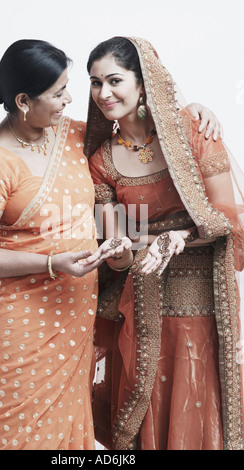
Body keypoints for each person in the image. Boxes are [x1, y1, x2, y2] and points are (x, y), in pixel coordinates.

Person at [0, 38, 222, 451]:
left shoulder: (72, 136)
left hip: (75, 309)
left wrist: (194, 110)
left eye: (71, 86)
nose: (76, 98)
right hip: (20, 316)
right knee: (24, 433)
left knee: (70, 432)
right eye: (61, 92)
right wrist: (54, 263)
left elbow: (135, 140)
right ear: (24, 101)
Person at [85, 36, 244, 450]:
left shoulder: (193, 133)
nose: (104, 93)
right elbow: (120, 250)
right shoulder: (102, 161)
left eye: (114, 80)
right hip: (141, 305)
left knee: (198, 398)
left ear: (143, 82)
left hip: (202, 299)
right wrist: (118, 254)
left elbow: (227, 217)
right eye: (95, 82)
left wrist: (180, 236)